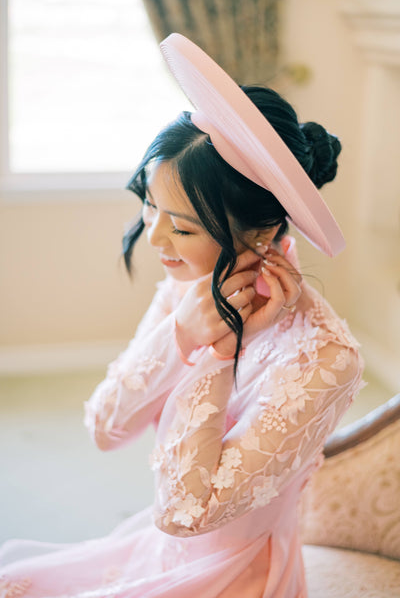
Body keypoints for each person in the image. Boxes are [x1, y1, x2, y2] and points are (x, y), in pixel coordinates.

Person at [0, 34, 364, 597]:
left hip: (240, 576)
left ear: (264, 232)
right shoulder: (191, 285)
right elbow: (103, 427)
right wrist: (180, 335)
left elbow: (185, 513)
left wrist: (215, 355)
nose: (154, 237)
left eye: (184, 227)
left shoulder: (326, 359)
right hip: (158, 551)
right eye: (149, 203)